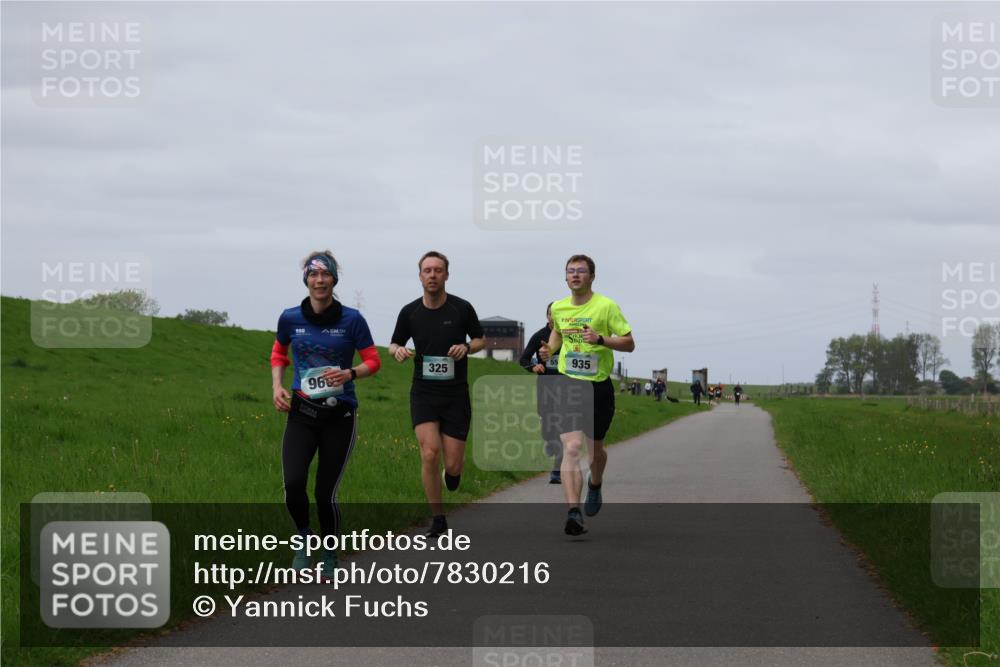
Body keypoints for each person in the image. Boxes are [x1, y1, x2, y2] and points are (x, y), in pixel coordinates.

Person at [271, 251, 381, 578]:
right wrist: (277, 386)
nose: (319, 280)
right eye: (313, 275)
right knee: (293, 484)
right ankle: (304, 539)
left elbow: (373, 361)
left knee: (324, 492)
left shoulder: (352, 320)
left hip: (339, 416)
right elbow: (279, 352)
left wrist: (351, 374)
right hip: (302, 413)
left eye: (326, 275)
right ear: (306, 279)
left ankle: (329, 551)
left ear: (334, 279)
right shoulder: (290, 318)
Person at [389, 251, 486, 539]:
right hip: (424, 391)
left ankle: (452, 474)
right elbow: (394, 343)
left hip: (455, 394)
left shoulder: (461, 309)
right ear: (420, 276)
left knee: (453, 465)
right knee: (429, 453)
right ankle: (438, 518)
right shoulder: (410, 312)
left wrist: (467, 347)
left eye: (438, 270)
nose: (432, 275)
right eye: (427, 270)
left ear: (446, 275)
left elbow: (480, 339)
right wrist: (398, 351)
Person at [541, 254, 635, 536]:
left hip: (598, 387)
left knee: (595, 451)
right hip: (569, 385)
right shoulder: (559, 307)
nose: (576, 275)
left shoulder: (606, 306)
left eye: (581, 271)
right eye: (571, 271)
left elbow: (629, 343)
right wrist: (551, 349)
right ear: (565, 277)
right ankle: (573, 512)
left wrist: (602, 339)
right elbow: (558, 333)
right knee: (571, 448)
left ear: (592, 276)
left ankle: (595, 484)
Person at [518, 302, 563, 484]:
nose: (554, 316)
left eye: (558, 313)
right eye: (552, 313)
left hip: (567, 386)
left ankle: (557, 471)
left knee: (562, 428)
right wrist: (533, 366)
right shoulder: (539, 336)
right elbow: (523, 359)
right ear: (547, 316)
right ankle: (550, 441)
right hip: (546, 386)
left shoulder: (568, 336)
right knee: (547, 425)